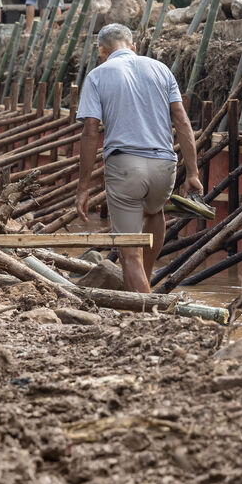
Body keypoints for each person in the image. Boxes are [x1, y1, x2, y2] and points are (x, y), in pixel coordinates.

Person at [75, 23, 203, 294]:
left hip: (125, 167)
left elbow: (89, 131)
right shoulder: (161, 69)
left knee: (128, 253)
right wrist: (192, 172)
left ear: (102, 50)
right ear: (133, 46)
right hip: (164, 165)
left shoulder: (98, 76)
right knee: (154, 211)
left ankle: (146, 311)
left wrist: (83, 187)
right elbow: (182, 121)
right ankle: (142, 282)